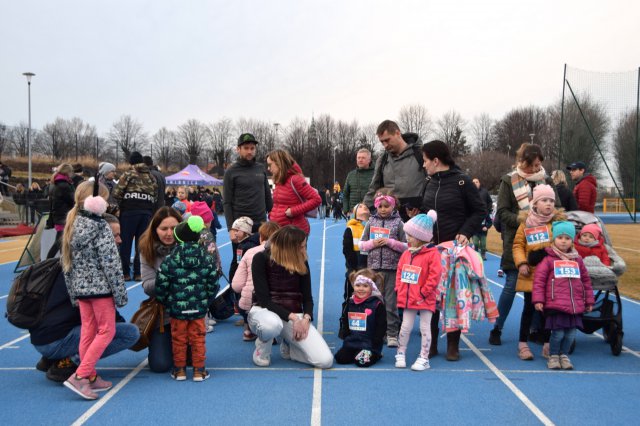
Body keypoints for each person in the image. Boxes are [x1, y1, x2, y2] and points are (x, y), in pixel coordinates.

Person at [31, 213, 139, 383]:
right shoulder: (93, 272)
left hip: (42, 338)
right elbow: (104, 311)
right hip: (56, 339)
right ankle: (73, 365)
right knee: (129, 334)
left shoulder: (71, 262)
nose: (119, 240)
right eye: (114, 235)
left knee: (98, 327)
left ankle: (55, 359)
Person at [411, 140, 486, 360]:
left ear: (436, 160)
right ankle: (432, 343)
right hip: (431, 249)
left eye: (425, 160)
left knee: (452, 298)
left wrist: (466, 231)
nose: (424, 165)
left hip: (454, 250)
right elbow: (426, 210)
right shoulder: (428, 182)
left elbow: (479, 210)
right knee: (430, 298)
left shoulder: (462, 181)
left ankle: (453, 345)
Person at [60, 181, 128, 400]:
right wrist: (120, 293)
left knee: (88, 331)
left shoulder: (73, 225)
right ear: (96, 202)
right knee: (107, 331)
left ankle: (90, 376)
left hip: (82, 291)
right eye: (105, 199)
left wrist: (74, 293)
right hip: (100, 289)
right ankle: (80, 376)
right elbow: (111, 263)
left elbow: (66, 265)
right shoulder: (99, 227)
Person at [489, 143, 559, 346]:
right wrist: (526, 220)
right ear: (523, 162)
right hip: (516, 241)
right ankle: (497, 327)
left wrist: (547, 219)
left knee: (539, 287)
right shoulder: (508, 181)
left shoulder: (546, 181)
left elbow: (558, 207)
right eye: (534, 165)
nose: (537, 169)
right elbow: (501, 213)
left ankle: (535, 329)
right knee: (511, 285)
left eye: (539, 165)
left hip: (543, 243)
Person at [248, 225, 333, 369]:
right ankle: (261, 351)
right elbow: (264, 300)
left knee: (325, 361)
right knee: (272, 325)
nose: (304, 250)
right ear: (289, 247)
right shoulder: (261, 258)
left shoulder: (302, 261)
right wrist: (293, 318)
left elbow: (307, 298)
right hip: (263, 312)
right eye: (301, 247)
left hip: (293, 314)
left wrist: (306, 318)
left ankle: (289, 344)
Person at [156, 215, 219, 381]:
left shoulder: (170, 260)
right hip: (199, 309)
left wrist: (165, 301)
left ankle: (179, 370)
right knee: (198, 339)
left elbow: (161, 284)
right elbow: (213, 282)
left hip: (177, 310)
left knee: (178, 339)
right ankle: (199, 370)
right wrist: (206, 300)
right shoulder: (206, 258)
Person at [512, 184, 566, 361]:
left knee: (548, 310)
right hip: (531, 274)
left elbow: (564, 243)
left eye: (551, 200)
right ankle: (522, 344)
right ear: (535, 204)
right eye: (544, 200)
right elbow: (518, 245)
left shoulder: (557, 224)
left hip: (551, 275)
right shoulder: (526, 223)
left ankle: (547, 343)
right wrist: (521, 263)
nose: (548, 204)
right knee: (528, 308)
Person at [533, 221, 594, 370]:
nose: (563, 241)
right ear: (554, 239)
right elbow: (539, 281)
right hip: (556, 303)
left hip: (574, 305)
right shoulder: (548, 260)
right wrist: (539, 299)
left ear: (572, 241)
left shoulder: (577, 260)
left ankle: (564, 355)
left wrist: (589, 300)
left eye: (567, 238)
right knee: (558, 333)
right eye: (560, 237)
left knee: (571, 335)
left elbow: (585, 281)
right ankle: (554, 356)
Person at [358, 189, 407, 348]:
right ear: (376, 207)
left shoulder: (399, 223)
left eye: (387, 206)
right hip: (374, 270)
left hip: (392, 269)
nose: (384, 209)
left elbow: (407, 246)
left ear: (393, 206)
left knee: (391, 303)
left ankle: (392, 333)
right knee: (374, 302)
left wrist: (390, 243)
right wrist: (373, 244)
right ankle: (376, 332)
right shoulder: (371, 222)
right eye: (381, 206)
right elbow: (361, 245)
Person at [394, 212, 442, 371]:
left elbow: (434, 276)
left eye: (410, 235)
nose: (407, 238)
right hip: (408, 298)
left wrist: (423, 292)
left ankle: (424, 357)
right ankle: (401, 353)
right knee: (405, 327)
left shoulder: (432, 254)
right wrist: (399, 288)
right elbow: (400, 271)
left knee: (424, 328)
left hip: (424, 299)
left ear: (421, 237)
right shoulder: (407, 253)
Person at [139, 206, 183, 373]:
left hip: (187, 312)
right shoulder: (147, 249)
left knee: (189, 361)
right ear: (155, 229)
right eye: (164, 229)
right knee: (160, 365)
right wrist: (170, 273)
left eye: (174, 228)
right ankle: (161, 341)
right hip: (162, 314)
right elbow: (148, 287)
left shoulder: (191, 247)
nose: (169, 233)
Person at [363, 120, 426, 221]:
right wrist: (363, 208)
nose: (385, 145)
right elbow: (374, 187)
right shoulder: (382, 159)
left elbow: (434, 184)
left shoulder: (421, 154)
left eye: (387, 140)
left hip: (418, 218)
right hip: (389, 217)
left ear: (397, 133)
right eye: (382, 142)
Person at [113, 151, 158, 281]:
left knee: (125, 243)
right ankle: (139, 273)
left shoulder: (128, 174)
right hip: (146, 212)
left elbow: (117, 193)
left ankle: (125, 273)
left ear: (131, 162)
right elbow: (155, 197)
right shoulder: (151, 176)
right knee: (142, 244)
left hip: (129, 212)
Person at [232, 221, 281, 341]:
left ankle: (248, 329)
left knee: (248, 301)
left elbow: (236, 285)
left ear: (261, 237)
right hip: (278, 303)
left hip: (249, 304)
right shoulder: (284, 254)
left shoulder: (249, 253)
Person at [335, 269, 386, 368]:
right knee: (340, 358)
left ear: (372, 288)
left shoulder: (377, 304)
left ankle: (376, 355)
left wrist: (376, 341)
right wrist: (345, 334)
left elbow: (381, 325)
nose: (361, 289)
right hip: (352, 341)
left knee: (361, 361)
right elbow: (345, 319)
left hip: (369, 344)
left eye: (365, 286)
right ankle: (356, 352)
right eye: (358, 285)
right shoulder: (350, 302)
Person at [223, 133, 272, 232]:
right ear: (238, 149)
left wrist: (273, 218)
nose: (249, 151)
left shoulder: (261, 168)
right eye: (246, 148)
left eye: (252, 148)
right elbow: (227, 202)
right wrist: (230, 229)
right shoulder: (231, 171)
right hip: (240, 226)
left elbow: (267, 195)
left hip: (261, 224)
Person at [266, 149, 321, 234]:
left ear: (279, 163)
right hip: (280, 231)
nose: (268, 168)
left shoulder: (295, 179)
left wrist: (293, 211)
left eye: (270, 165)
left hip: (294, 233)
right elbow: (279, 205)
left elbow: (316, 199)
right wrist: (272, 215)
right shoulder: (279, 181)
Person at [339, 203, 371, 338]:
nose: (365, 207)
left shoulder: (372, 226)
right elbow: (347, 251)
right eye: (361, 206)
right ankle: (345, 326)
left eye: (366, 206)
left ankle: (367, 327)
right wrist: (352, 270)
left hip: (369, 270)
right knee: (350, 299)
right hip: (354, 270)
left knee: (369, 300)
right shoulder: (350, 229)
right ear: (356, 212)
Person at [46, 163, 76, 259]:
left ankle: (61, 262)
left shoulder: (54, 183)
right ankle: (46, 263)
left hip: (57, 215)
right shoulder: (64, 185)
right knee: (59, 242)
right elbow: (72, 200)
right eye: (71, 172)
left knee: (61, 242)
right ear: (67, 172)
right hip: (63, 215)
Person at [343, 148, 375, 215]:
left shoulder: (376, 174)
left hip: (372, 213)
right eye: (358, 158)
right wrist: (346, 210)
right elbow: (345, 194)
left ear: (369, 160)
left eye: (363, 158)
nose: (360, 160)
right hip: (353, 213)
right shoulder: (351, 175)